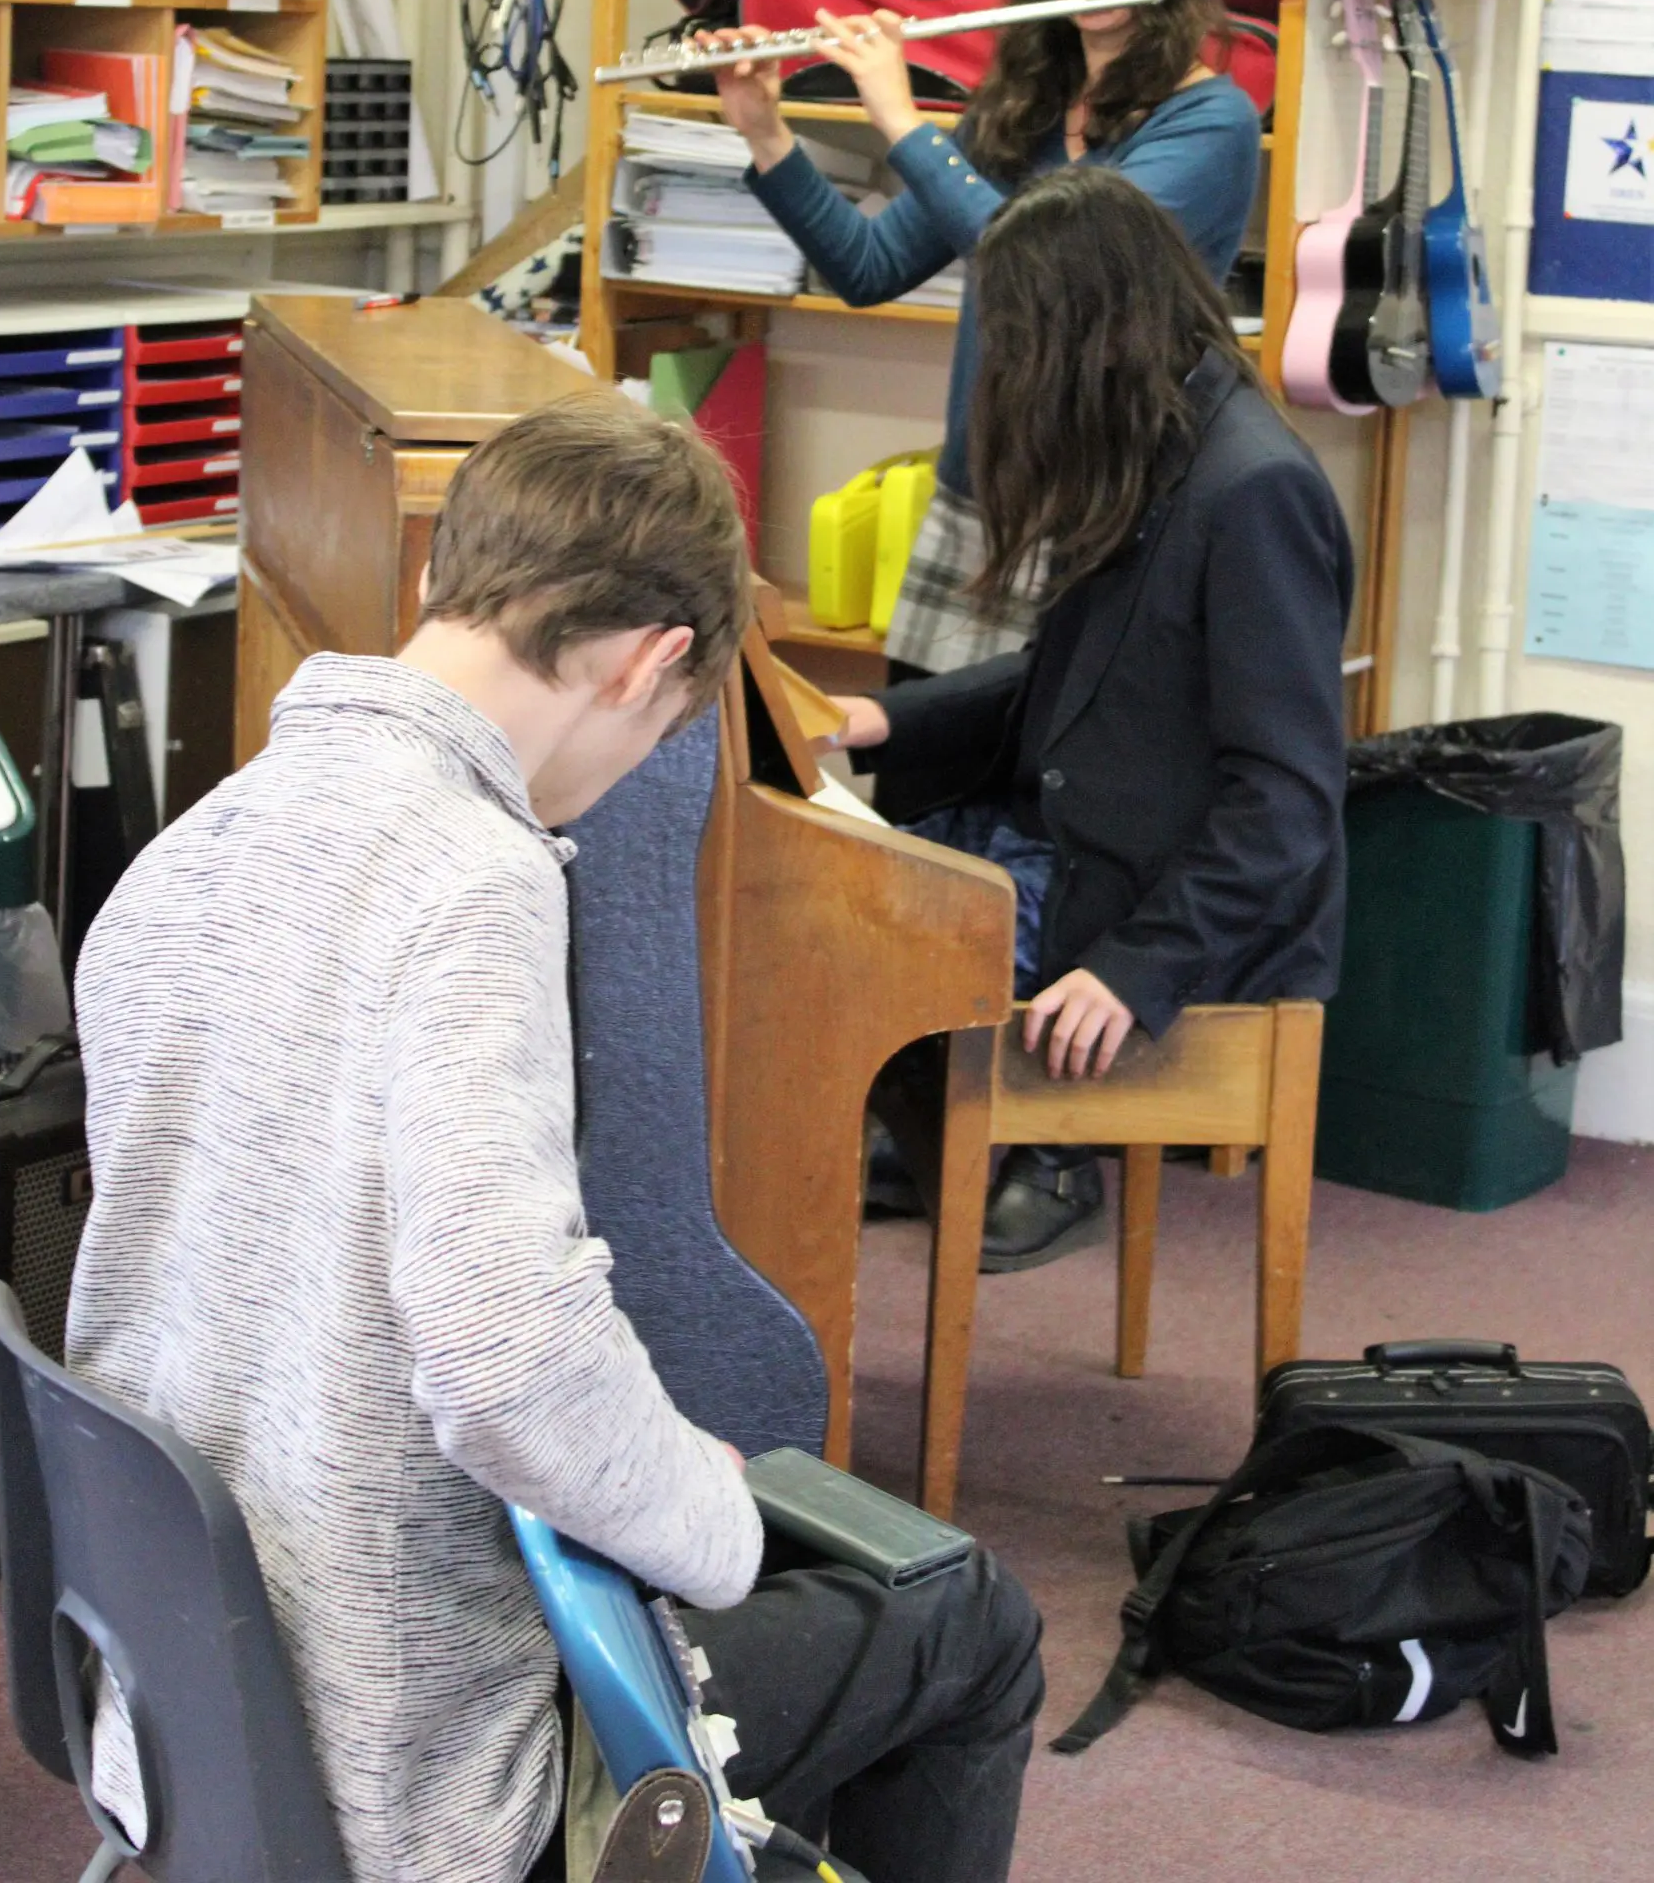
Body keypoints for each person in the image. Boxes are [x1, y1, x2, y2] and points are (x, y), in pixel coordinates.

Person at [64, 401, 1043, 1883]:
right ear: (653, 663)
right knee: (965, 1621)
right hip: (401, 1753)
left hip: (176, 1697)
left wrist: (639, 1450)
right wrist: (705, 1515)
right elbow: (506, 1366)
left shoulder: (184, 852)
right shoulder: (473, 879)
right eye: (669, 727)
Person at [832, 169, 1354, 1272]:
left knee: (833, 937)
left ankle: (1013, 1147)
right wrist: (874, 720)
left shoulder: (1253, 491)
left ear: (1084, 332)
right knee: (814, 900)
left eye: (1017, 338)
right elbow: (1059, 680)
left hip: (1163, 914)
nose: (1007, 372)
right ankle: (931, 1120)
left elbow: (1289, 800)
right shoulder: (1155, 445)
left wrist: (1136, 967)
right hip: (1075, 850)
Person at [712, 0, 1264, 676]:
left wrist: (900, 121)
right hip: (979, 507)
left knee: (1056, 802)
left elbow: (1061, 275)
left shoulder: (1208, 121)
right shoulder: (1018, 114)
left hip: (1116, 524)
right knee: (928, 787)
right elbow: (867, 269)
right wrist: (766, 134)